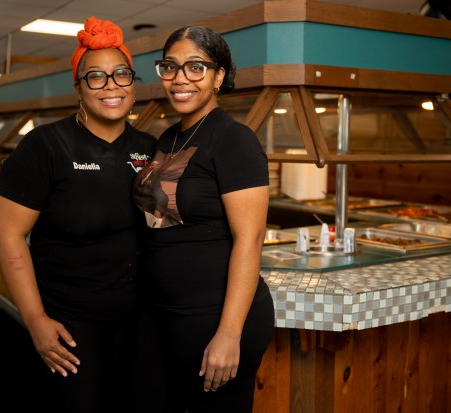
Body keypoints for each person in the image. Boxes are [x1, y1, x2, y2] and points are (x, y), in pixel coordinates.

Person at [0, 16, 156, 412]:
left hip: (141, 322)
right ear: (79, 87)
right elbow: (5, 235)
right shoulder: (45, 146)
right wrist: (35, 320)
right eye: (96, 77)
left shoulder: (150, 148)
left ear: (133, 84)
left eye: (121, 75)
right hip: (72, 327)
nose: (111, 86)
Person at [133, 25, 275, 413]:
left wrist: (229, 334)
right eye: (171, 67)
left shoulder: (233, 140)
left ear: (219, 76)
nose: (180, 78)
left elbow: (251, 239)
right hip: (163, 314)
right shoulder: (168, 138)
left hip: (211, 318)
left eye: (196, 67)